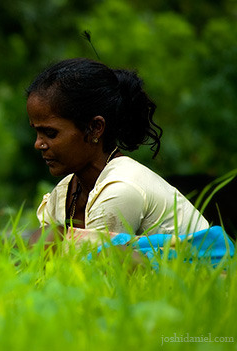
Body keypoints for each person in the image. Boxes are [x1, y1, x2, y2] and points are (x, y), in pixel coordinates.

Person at [26, 58, 209, 236]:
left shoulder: (122, 187)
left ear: (95, 128)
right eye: (37, 132)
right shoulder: (64, 193)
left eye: (50, 134)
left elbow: (99, 263)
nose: (38, 144)